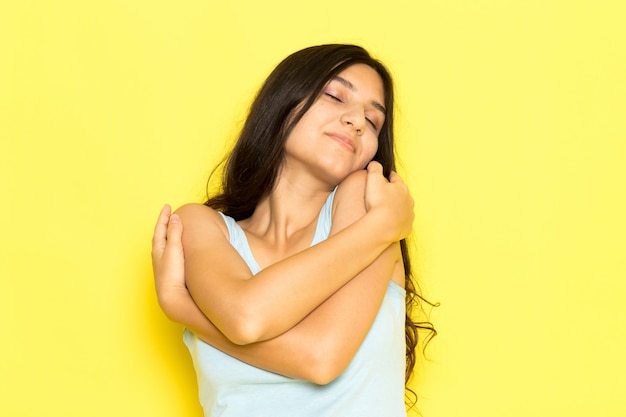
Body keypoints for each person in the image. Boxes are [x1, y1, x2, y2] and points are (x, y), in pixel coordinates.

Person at [151, 44, 434, 417]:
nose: (357, 121)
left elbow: (321, 358)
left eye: (374, 120)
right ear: (283, 102)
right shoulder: (201, 227)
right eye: (335, 96)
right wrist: (381, 227)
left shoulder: (363, 200)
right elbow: (245, 317)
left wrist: (184, 309)